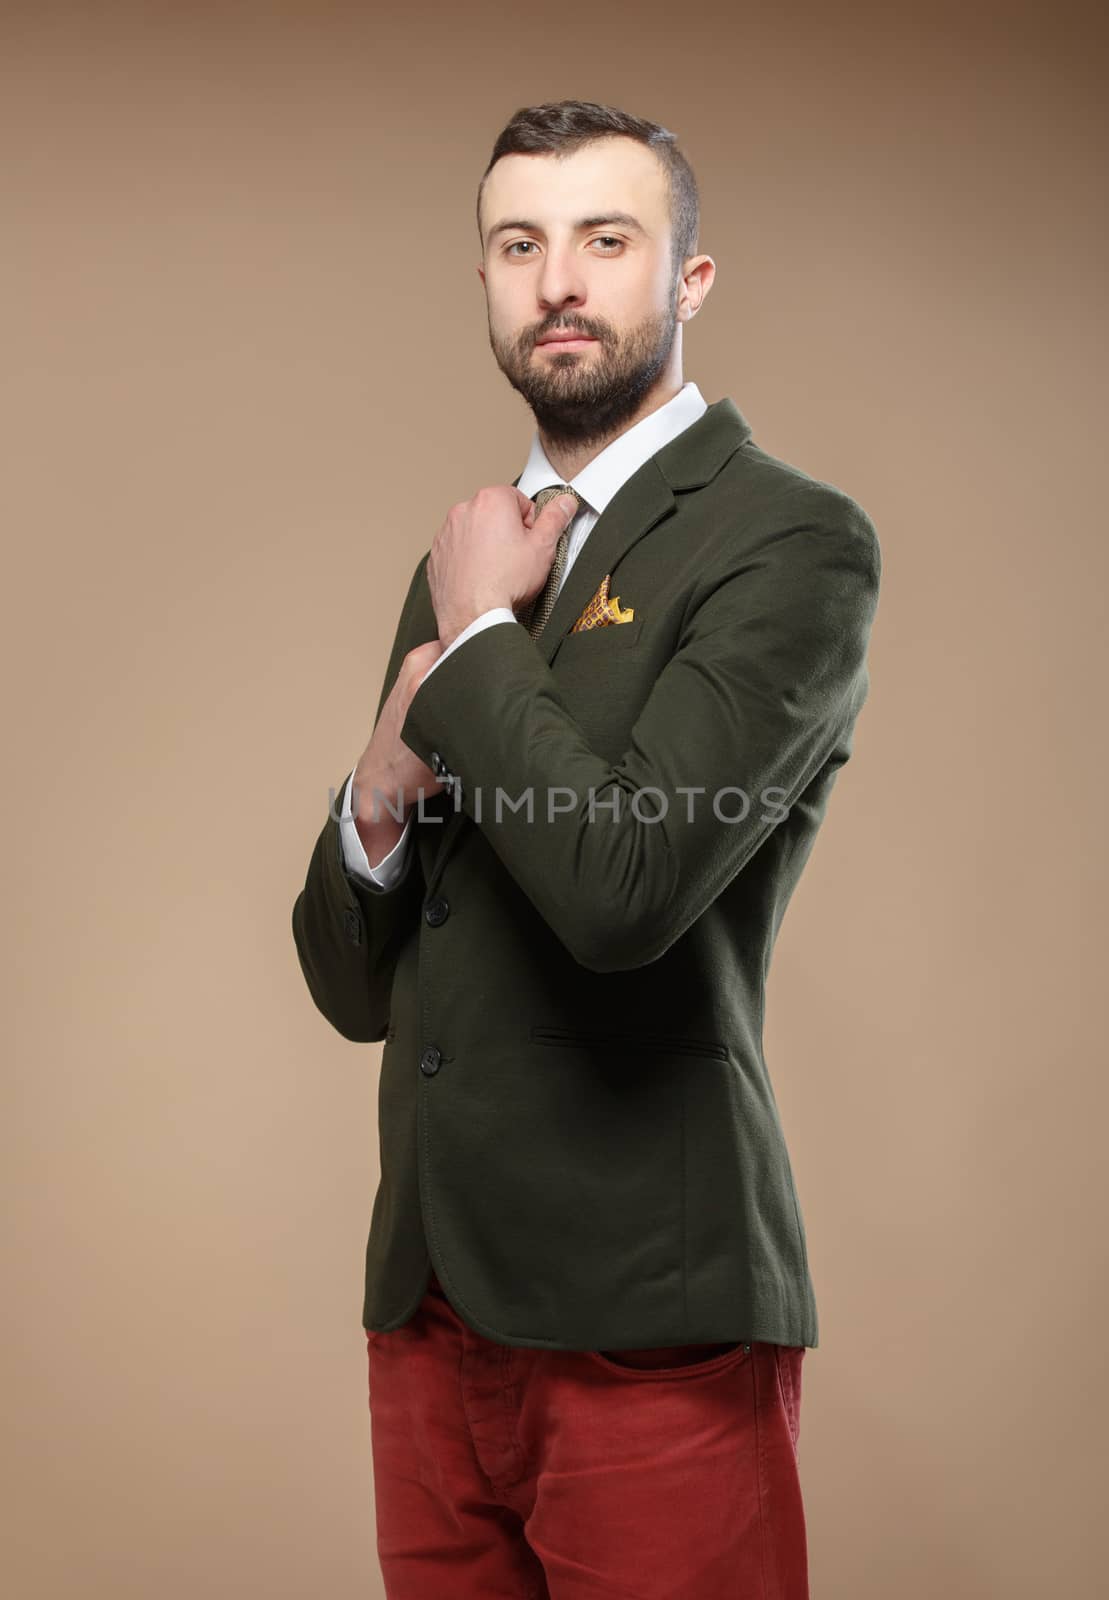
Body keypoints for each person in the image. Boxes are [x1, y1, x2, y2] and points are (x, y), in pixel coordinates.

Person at [292, 97, 881, 1600]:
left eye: (603, 240)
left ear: (684, 278)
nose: (556, 280)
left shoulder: (785, 542)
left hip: (644, 1317)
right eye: (518, 244)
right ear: (486, 281)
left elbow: (623, 893)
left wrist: (480, 633)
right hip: (430, 1309)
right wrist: (370, 801)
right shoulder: (471, 550)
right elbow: (362, 989)